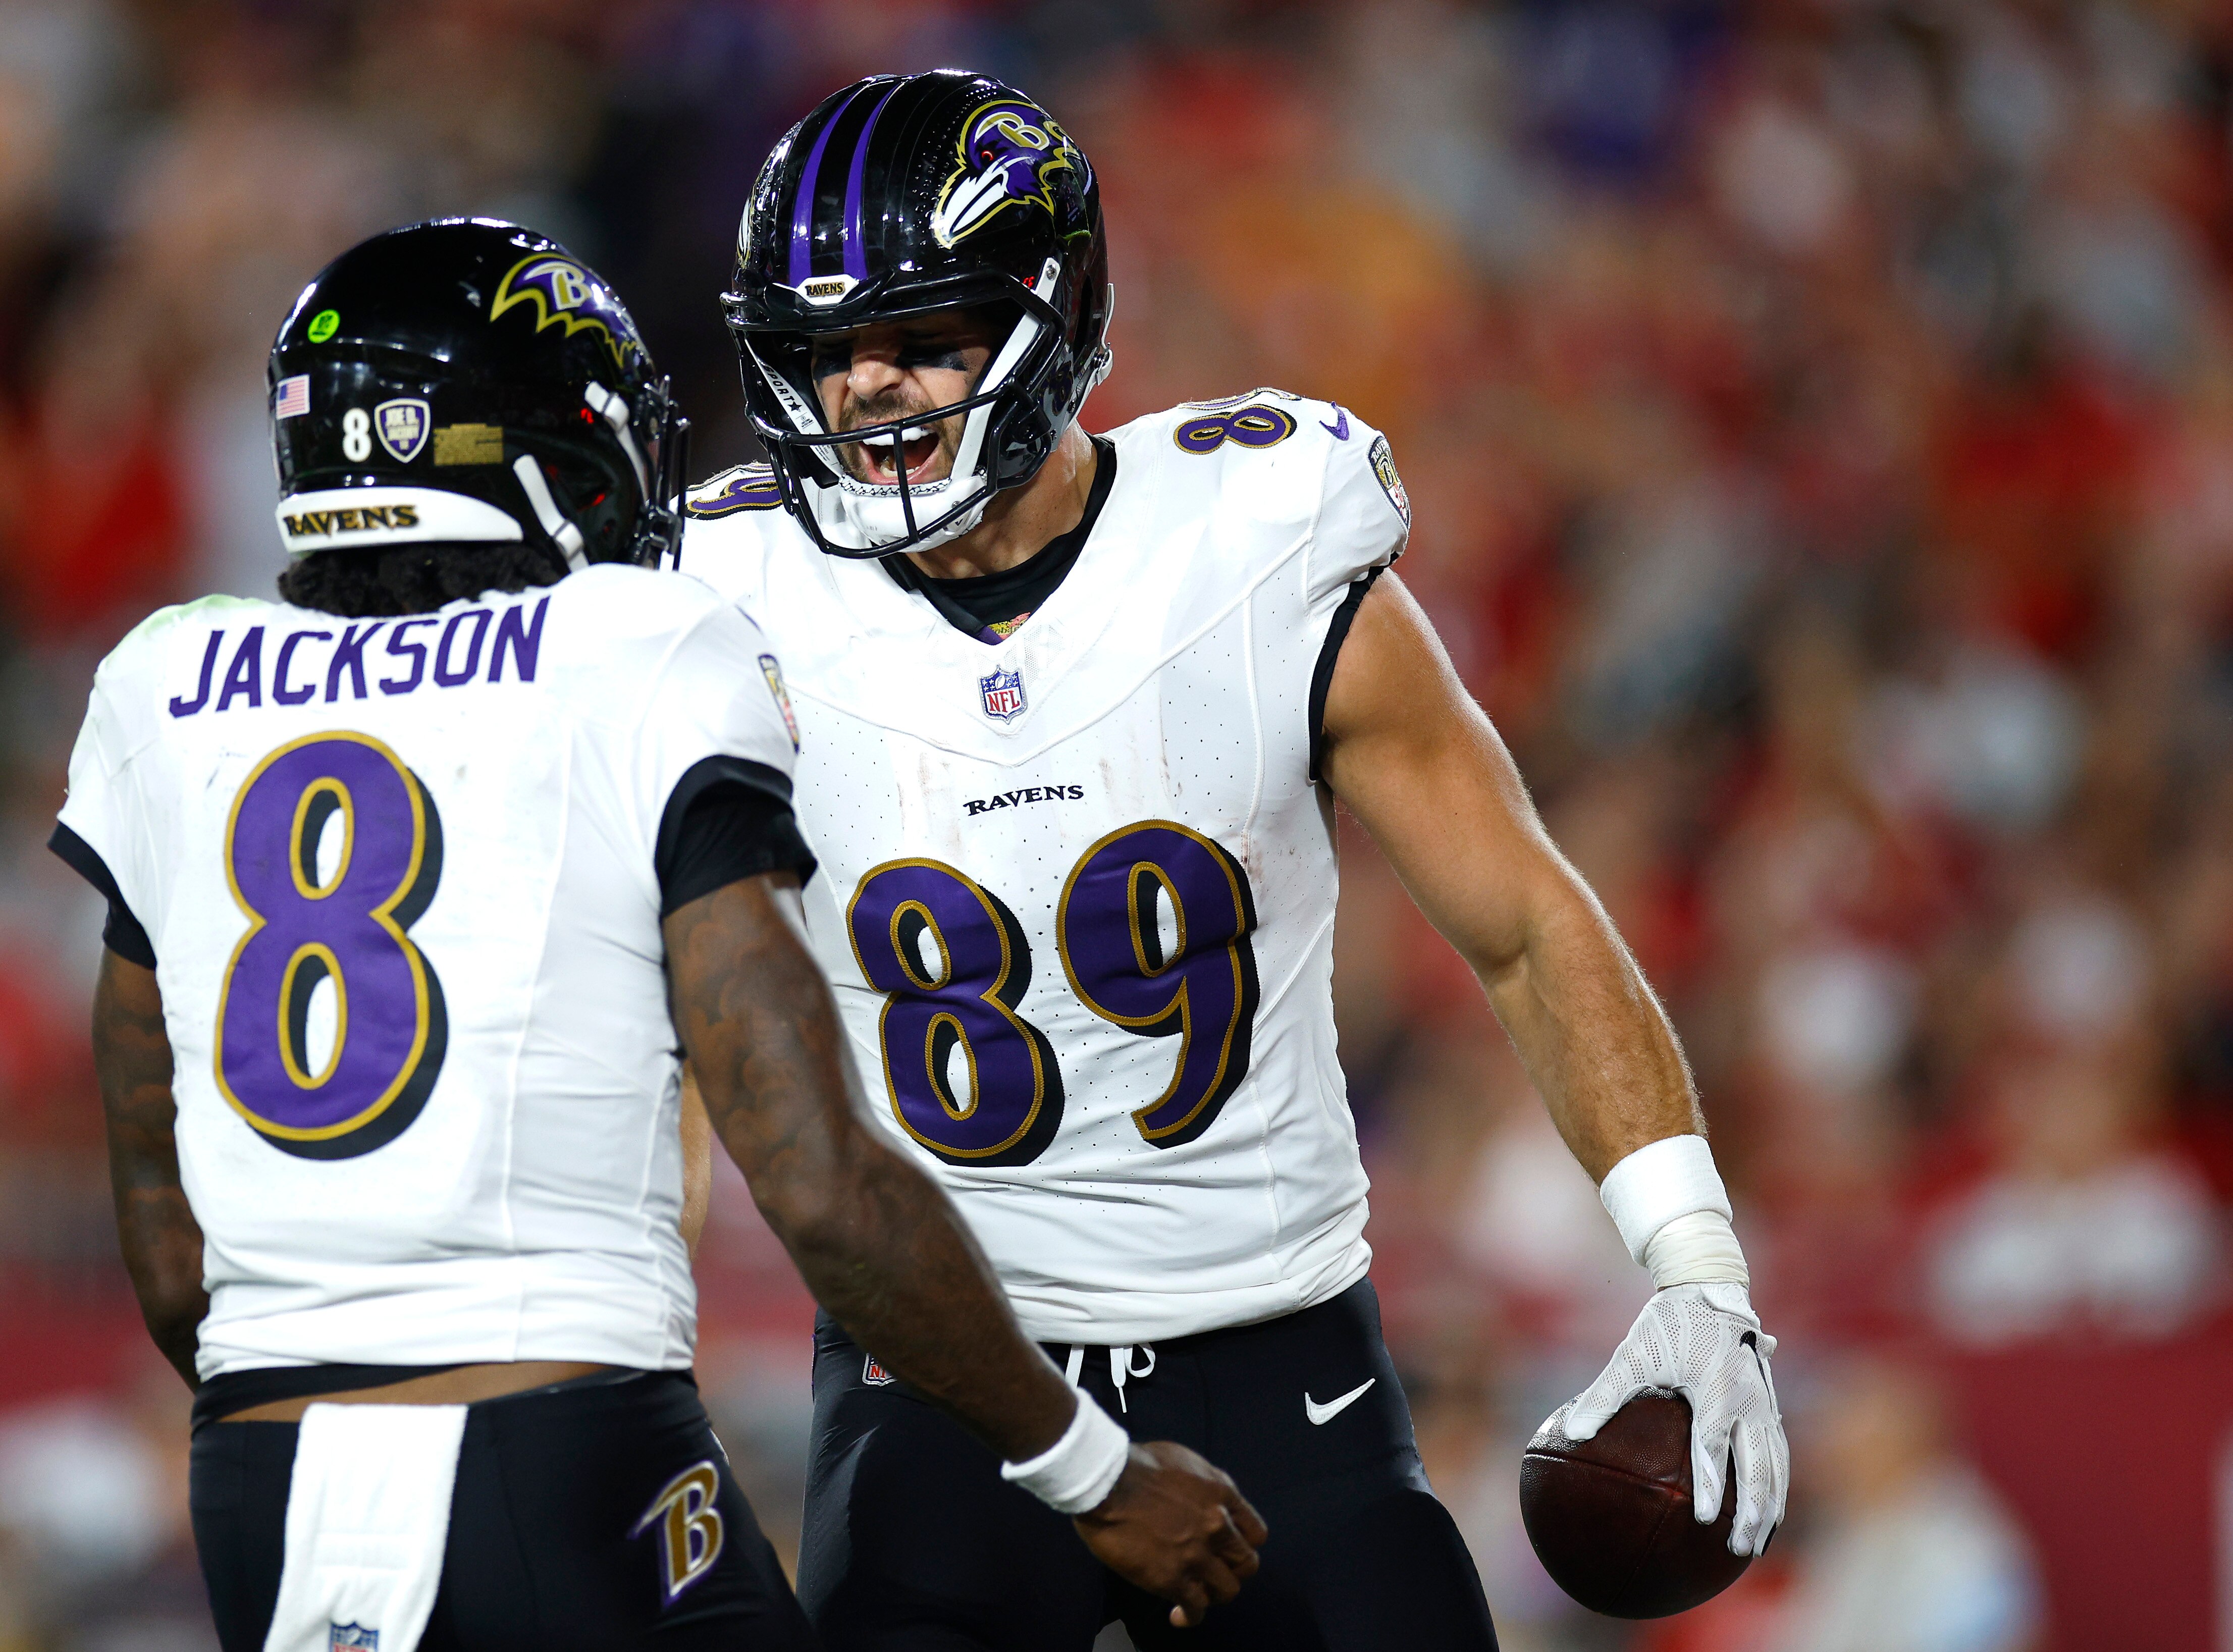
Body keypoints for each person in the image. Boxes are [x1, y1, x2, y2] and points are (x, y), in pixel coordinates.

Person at [676, 70, 1789, 1649]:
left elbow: (1527, 925)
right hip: (943, 1375)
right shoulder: (726, 590)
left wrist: (1696, 1267)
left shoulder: (1253, 542)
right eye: (825, 352)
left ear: (1048, 318)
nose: (869, 392)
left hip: (1275, 1352)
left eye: (922, 337)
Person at [48, 217, 1264, 1652]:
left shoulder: (160, 681)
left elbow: (172, 1249)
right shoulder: (634, 648)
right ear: (563, 460)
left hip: (258, 1476)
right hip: (562, 1447)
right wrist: (1090, 1467)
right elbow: (815, 1177)